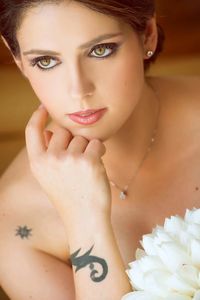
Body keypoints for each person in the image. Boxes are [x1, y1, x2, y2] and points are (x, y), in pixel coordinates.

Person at [0, 0, 199, 299]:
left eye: (101, 50)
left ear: (148, 34)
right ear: (17, 58)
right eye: (45, 60)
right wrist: (84, 218)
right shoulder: (14, 225)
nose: (79, 90)